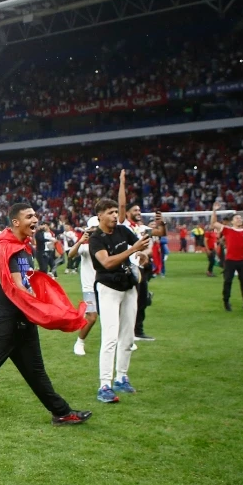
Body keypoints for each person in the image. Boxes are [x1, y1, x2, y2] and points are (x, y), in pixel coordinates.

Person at [0, 203, 92, 434]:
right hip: (2, 321)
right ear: (16, 222)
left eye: (35, 215)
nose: (35, 219)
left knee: (36, 372)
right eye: (29, 216)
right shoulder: (6, 248)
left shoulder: (20, 247)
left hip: (21, 319)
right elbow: (16, 287)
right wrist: (44, 307)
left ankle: (61, 413)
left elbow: (24, 283)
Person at [90, 198, 154, 403]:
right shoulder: (96, 238)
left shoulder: (121, 230)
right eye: (110, 212)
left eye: (116, 212)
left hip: (128, 286)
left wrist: (142, 254)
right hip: (108, 288)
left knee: (127, 336)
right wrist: (133, 250)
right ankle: (104, 385)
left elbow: (140, 245)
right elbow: (107, 262)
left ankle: (121, 377)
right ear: (99, 215)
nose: (115, 216)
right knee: (110, 337)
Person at [118, 172, 166, 341]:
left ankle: (138, 331)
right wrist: (122, 182)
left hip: (141, 268)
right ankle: (126, 331)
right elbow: (121, 206)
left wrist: (162, 222)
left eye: (139, 209)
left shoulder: (143, 228)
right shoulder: (123, 224)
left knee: (142, 300)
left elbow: (160, 232)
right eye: (135, 210)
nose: (139, 212)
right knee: (129, 300)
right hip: (127, 267)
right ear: (128, 212)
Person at [210, 202, 243, 312]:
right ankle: (226, 301)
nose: (239, 219)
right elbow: (214, 223)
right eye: (236, 218)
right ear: (232, 221)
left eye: (240, 218)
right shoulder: (228, 230)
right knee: (227, 281)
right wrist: (214, 210)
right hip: (230, 261)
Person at [66, 217, 100, 356]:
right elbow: (70, 255)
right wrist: (81, 240)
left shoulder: (106, 245)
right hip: (90, 287)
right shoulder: (85, 247)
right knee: (92, 317)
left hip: (106, 285)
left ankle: (124, 341)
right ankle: (79, 342)